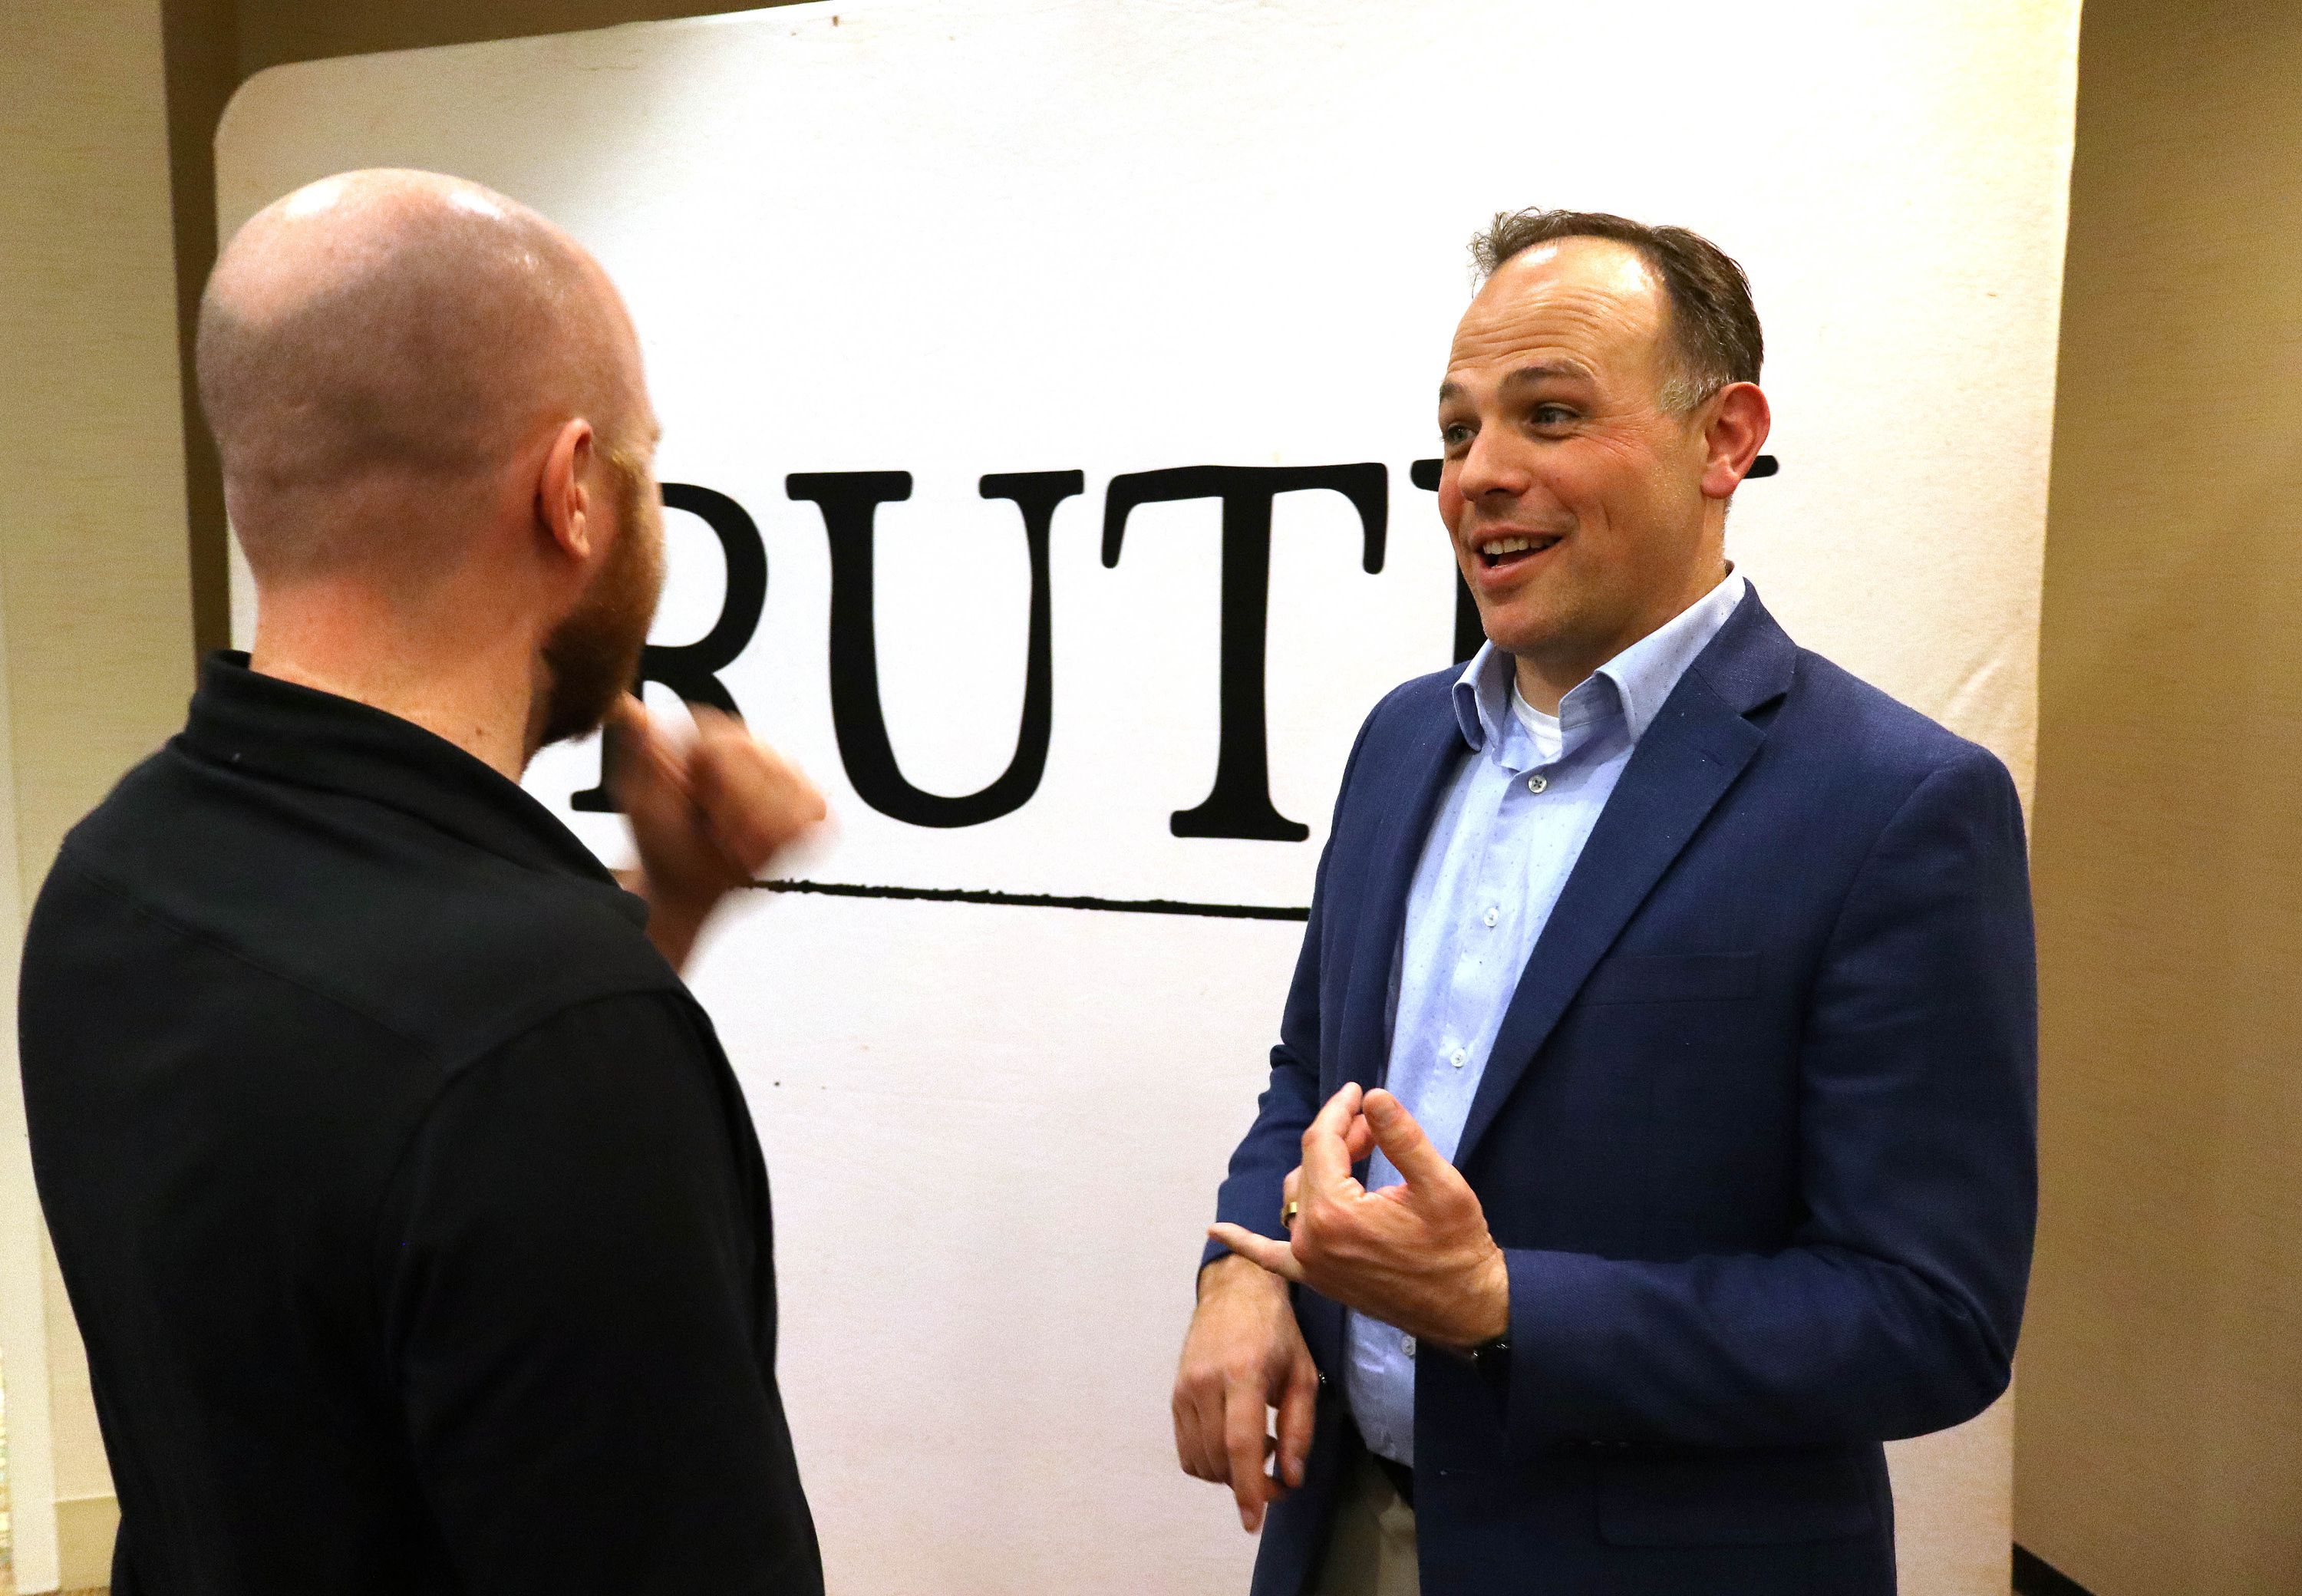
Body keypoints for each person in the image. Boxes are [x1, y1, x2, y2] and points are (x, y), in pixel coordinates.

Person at [1171, 210, 2037, 1596]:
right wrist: (1247, 1270)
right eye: (1458, 432)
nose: (1481, 476)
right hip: (1339, 1532)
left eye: (1552, 415)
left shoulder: (1899, 804)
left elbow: (1929, 1318)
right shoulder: (1403, 741)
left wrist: (1501, 1305)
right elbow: (1309, 1079)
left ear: (1724, 439)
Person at [20, 170, 828, 1595]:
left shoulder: (116, 872)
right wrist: (599, 992)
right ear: (571, 492)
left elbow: (362, 1208)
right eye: (642, 464)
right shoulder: (554, 1034)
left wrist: (667, 911)